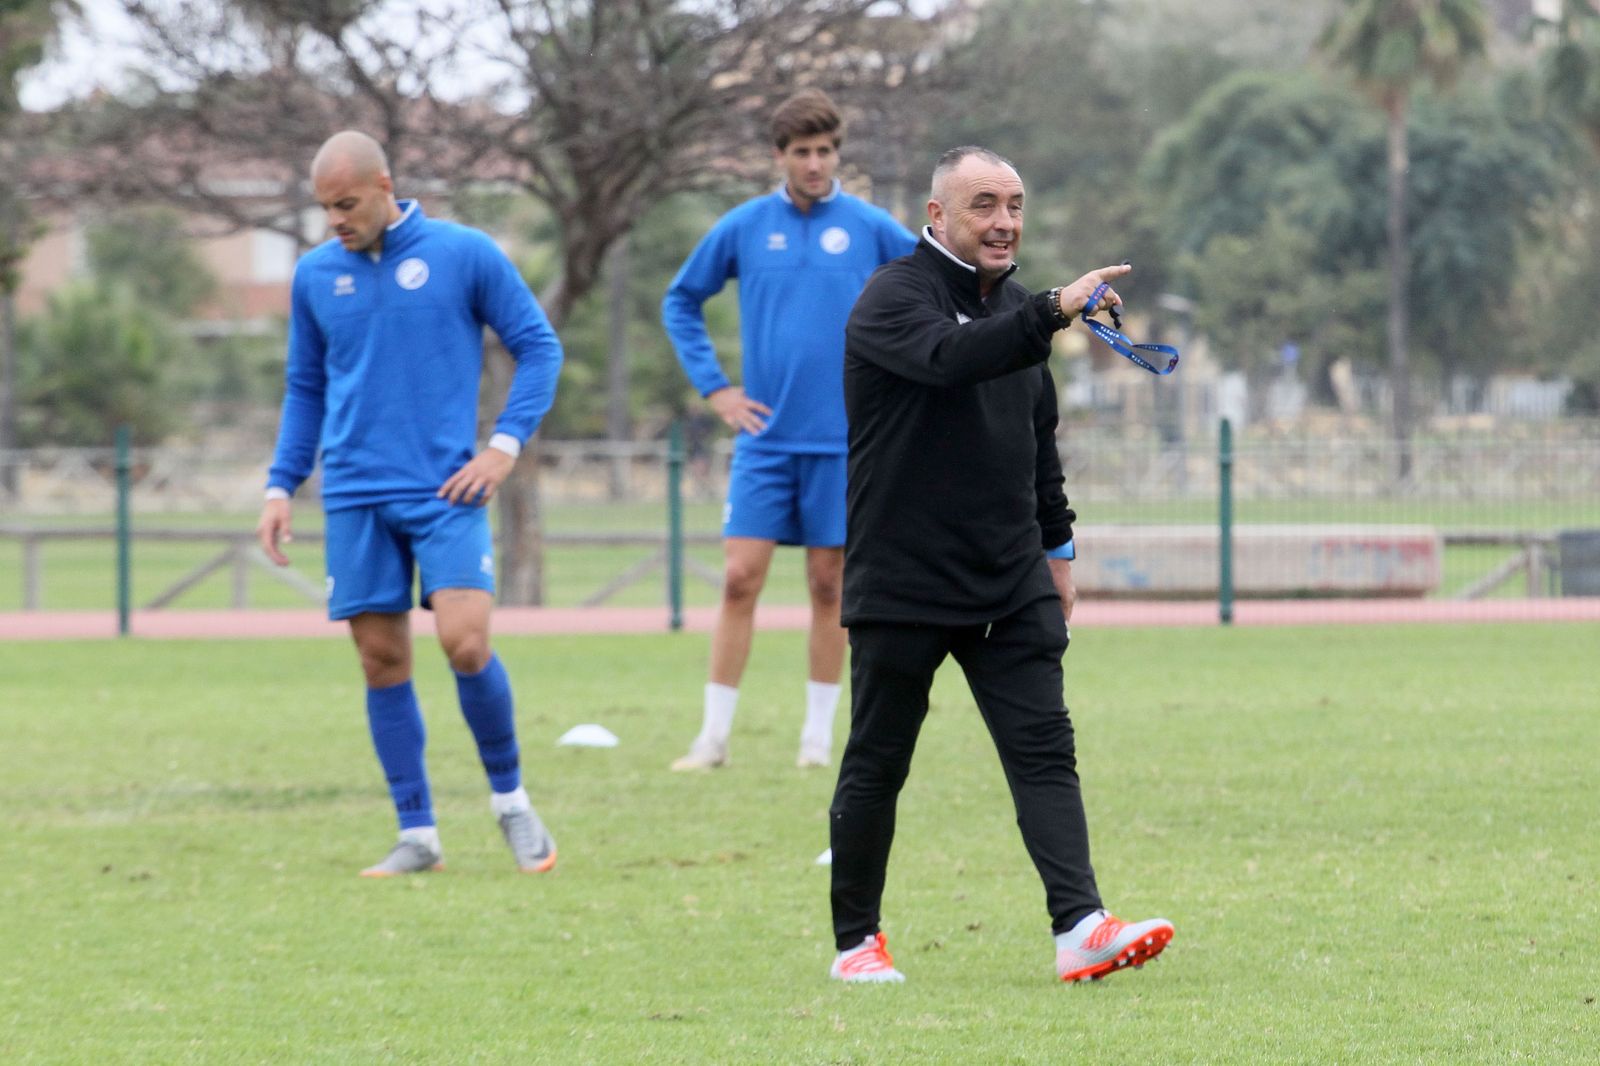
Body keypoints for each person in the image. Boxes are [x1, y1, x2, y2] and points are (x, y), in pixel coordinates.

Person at [825, 146, 1174, 984]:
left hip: (1008, 576)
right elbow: (952, 360)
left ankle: (1080, 925)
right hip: (904, 578)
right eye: (984, 204)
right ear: (937, 216)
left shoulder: (1023, 314)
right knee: (880, 759)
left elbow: (1037, 449)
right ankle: (856, 944)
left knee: (1045, 747)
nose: (1005, 221)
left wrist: (1058, 552)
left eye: (1015, 203)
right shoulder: (891, 299)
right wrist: (1053, 308)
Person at [256, 130, 565, 878]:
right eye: (325, 207)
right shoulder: (314, 275)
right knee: (381, 660)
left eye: (347, 203)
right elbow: (306, 389)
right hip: (356, 495)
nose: (335, 219)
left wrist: (504, 446)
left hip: (445, 489)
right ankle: (417, 833)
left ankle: (513, 803)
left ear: (385, 185)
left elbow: (538, 345)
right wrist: (279, 484)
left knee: (465, 640)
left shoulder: (464, 253)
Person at [661, 90, 917, 771]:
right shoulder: (745, 227)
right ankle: (712, 739)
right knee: (739, 579)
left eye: (825, 151)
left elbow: (932, 283)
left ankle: (816, 741)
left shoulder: (869, 227)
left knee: (830, 587)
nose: (814, 163)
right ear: (778, 157)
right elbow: (681, 300)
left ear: (838, 154)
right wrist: (717, 389)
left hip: (845, 442)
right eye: (801, 152)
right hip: (766, 442)